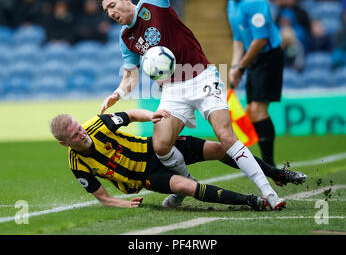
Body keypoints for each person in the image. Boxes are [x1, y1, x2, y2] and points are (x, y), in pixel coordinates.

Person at [99, 0, 285, 210]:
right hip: (172, 88)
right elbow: (131, 75)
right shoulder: (125, 38)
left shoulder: (153, 0)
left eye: (112, 6)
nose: (110, 13)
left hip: (201, 75)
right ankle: (186, 186)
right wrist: (117, 93)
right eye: (106, 11)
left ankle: (269, 192)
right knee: (161, 145)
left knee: (225, 136)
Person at [50, 109, 307, 209]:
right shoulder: (77, 164)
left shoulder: (98, 125)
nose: (82, 133)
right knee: (185, 185)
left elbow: (130, 114)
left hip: (154, 148)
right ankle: (253, 201)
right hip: (147, 176)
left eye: (79, 127)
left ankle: (279, 174)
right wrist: (123, 204)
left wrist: (151, 115)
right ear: (65, 143)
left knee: (220, 148)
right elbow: (103, 198)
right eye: (75, 135)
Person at [220, 0, 284, 168]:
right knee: (249, 109)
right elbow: (238, 40)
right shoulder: (231, 4)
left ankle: (269, 165)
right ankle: (265, 164)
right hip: (253, 59)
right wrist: (234, 66)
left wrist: (240, 68)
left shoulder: (254, 2)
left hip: (268, 57)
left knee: (258, 110)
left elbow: (261, 41)